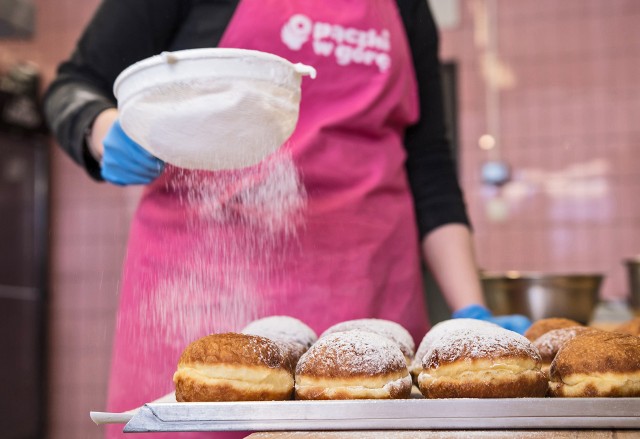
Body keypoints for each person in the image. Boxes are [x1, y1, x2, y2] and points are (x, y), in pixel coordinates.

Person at [44, 1, 530, 437]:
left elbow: (431, 169)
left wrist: (472, 310)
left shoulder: (406, 7)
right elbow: (73, 84)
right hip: (202, 300)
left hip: (366, 298)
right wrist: (103, 129)